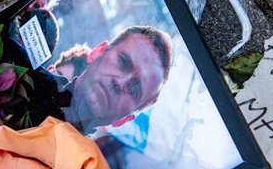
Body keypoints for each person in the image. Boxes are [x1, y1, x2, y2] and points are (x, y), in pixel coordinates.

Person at [24, 26, 173, 135]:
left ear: (124, 120)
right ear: (97, 52)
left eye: (134, 89)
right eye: (123, 62)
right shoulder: (21, 72)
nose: (121, 84)